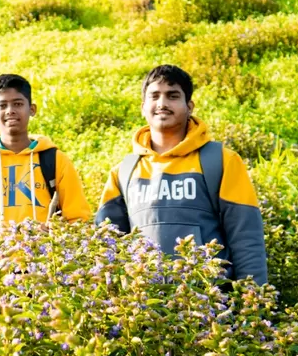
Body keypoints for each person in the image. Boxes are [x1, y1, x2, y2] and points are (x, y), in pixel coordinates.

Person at [94, 64, 268, 284]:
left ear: (189, 106)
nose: (162, 104)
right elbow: (105, 246)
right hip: (144, 307)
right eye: (154, 96)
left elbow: (247, 238)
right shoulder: (123, 171)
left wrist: (255, 301)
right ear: (143, 107)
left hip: (208, 306)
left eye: (172, 96)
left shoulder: (222, 161)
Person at [0, 73, 91, 239]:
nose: (10, 111)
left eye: (18, 104)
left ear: (32, 109)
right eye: (2, 105)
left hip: (47, 260)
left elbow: (79, 219)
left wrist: (56, 235)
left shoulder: (56, 160)